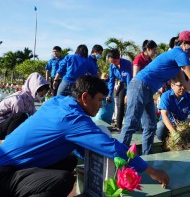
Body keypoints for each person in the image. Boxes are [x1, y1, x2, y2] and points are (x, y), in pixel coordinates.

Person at [0, 75, 169, 197]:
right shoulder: (72, 119)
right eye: (99, 99)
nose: (101, 105)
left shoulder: (57, 102)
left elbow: (82, 146)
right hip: (5, 175)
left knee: (69, 161)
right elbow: (111, 146)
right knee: (63, 180)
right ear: (85, 97)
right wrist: (151, 171)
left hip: (9, 162)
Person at [119, 30, 190, 155]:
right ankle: (118, 159)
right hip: (139, 86)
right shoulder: (179, 54)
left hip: (147, 90)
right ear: (184, 43)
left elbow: (184, 82)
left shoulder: (177, 62)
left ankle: (147, 156)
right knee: (131, 124)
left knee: (151, 126)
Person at [0, 72, 49, 140]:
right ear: (34, 89)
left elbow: (34, 118)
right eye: (41, 94)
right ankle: (10, 141)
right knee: (21, 116)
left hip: (6, 126)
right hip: (1, 124)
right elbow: (20, 122)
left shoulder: (29, 100)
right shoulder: (18, 99)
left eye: (44, 95)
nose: (42, 97)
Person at [156, 76, 190, 141]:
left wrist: (188, 133)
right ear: (172, 85)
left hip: (182, 125)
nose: (183, 88)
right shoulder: (166, 96)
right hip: (168, 124)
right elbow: (164, 116)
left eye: (184, 85)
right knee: (160, 127)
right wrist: (174, 133)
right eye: (180, 85)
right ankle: (164, 142)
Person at [106, 48, 133, 131]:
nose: (113, 64)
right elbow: (111, 80)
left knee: (128, 103)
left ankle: (131, 125)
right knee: (119, 103)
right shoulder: (112, 66)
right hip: (121, 84)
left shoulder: (127, 64)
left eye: (114, 62)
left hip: (131, 84)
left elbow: (129, 79)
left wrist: (128, 94)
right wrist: (109, 94)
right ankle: (118, 125)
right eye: (111, 62)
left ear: (118, 58)